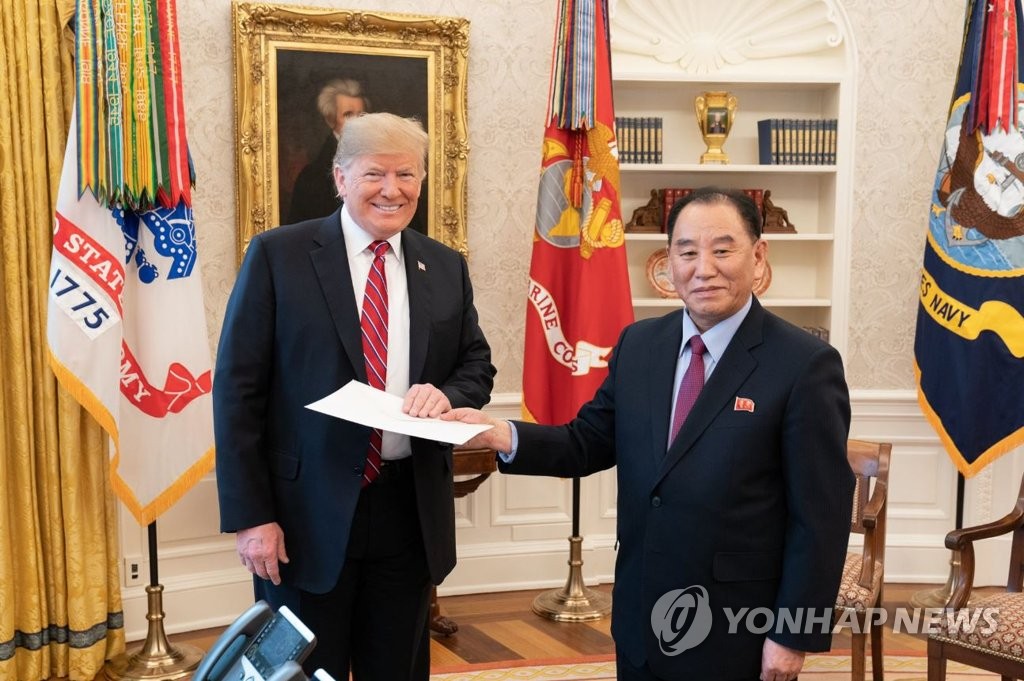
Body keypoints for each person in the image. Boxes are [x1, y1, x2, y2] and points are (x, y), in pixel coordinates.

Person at [444, 187, 853, 681]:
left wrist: (793, 633)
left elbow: (822, 516)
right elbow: (586, 442)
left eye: (723, 250)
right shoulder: (640, 344)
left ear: (759, 255)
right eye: (687, 252)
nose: (703, 269)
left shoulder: (805, 364)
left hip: (738, 629)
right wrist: (499, 434)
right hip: (642, 616)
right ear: (668, 261)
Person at [214, 112, 496, 681]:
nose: (392, 190)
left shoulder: (445, 266)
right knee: (298, 672)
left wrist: (444, 394)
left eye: (406, 175)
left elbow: (476, 365)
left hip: (409, 512)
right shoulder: (278, 256)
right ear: (340, 178)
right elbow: (238, 392)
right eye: (375, 174)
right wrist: (253, 517)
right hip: (302, 518)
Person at [286, 78, 369, 224]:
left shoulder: (377, 156)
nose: (357, 122)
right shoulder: (312, 176)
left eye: (360, 115)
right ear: (330, 120)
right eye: (348, 115)